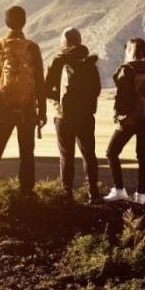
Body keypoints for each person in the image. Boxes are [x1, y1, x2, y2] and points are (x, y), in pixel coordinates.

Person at [0, 6, 46, 195]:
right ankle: (26, 193)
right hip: (27, 110)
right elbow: (40, 81)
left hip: (1, 110)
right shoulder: (32, 47)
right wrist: (43, 111)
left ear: (6, 22)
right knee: (26, 153)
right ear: (24, 22)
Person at [44, 27, 102, 205]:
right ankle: (93, 192)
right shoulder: (88, 61)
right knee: (88, 154)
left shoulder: (57, 60)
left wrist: (57, 103)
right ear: (80, 40)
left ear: (64, 42)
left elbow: (46, 88)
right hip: (85, 115)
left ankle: (67, 192)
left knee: (66, 155)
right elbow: (97, 89)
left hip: (64, 116)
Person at [103, 37, 145, 205]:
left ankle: (119, 190)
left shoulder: (127, 70)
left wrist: (118, 116)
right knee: (143, 155)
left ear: (130, 51)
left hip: (131, 120)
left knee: (111, 152)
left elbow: (121, 98)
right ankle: (141, 196)